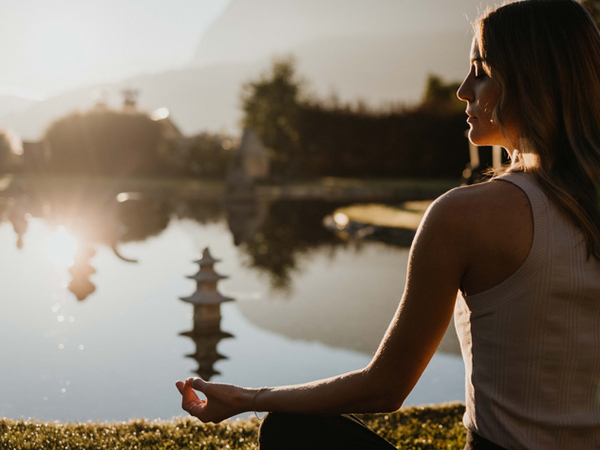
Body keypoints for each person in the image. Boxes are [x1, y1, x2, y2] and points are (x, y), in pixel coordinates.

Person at [176, 1, 600, 448]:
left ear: (530, 81)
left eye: (480, 70)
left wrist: (249, 398)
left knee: (289, 428)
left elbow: (385, 387)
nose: (462, 90)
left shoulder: (464, 216)